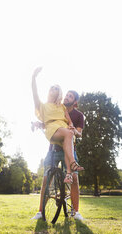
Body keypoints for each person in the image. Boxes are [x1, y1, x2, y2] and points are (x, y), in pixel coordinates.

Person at [32, 86, 85, 221]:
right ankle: (40, 211)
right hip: (53, 148)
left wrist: (74, 131)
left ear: (75, 102)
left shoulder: (78, 115)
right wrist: (39, 124)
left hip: (69, 150)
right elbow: (49, 123)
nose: (67, 97)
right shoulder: (57, 107)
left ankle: (76, 212)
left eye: (70, 96)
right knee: (46, 179)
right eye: (66, 95)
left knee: (75, 178)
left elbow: (79, 134)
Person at [32, 67, 84, 184]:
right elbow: (34, 93)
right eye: (52, 87)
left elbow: (69, 121)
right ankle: (73, 163)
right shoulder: (43, 106)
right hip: (54, 132)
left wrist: (71, 126)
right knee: (47, 178)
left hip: (65, 133)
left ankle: (69, 174)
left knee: (68, 137)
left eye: (56, 88)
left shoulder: (62, 107)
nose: (53, 89)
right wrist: (34, 77)